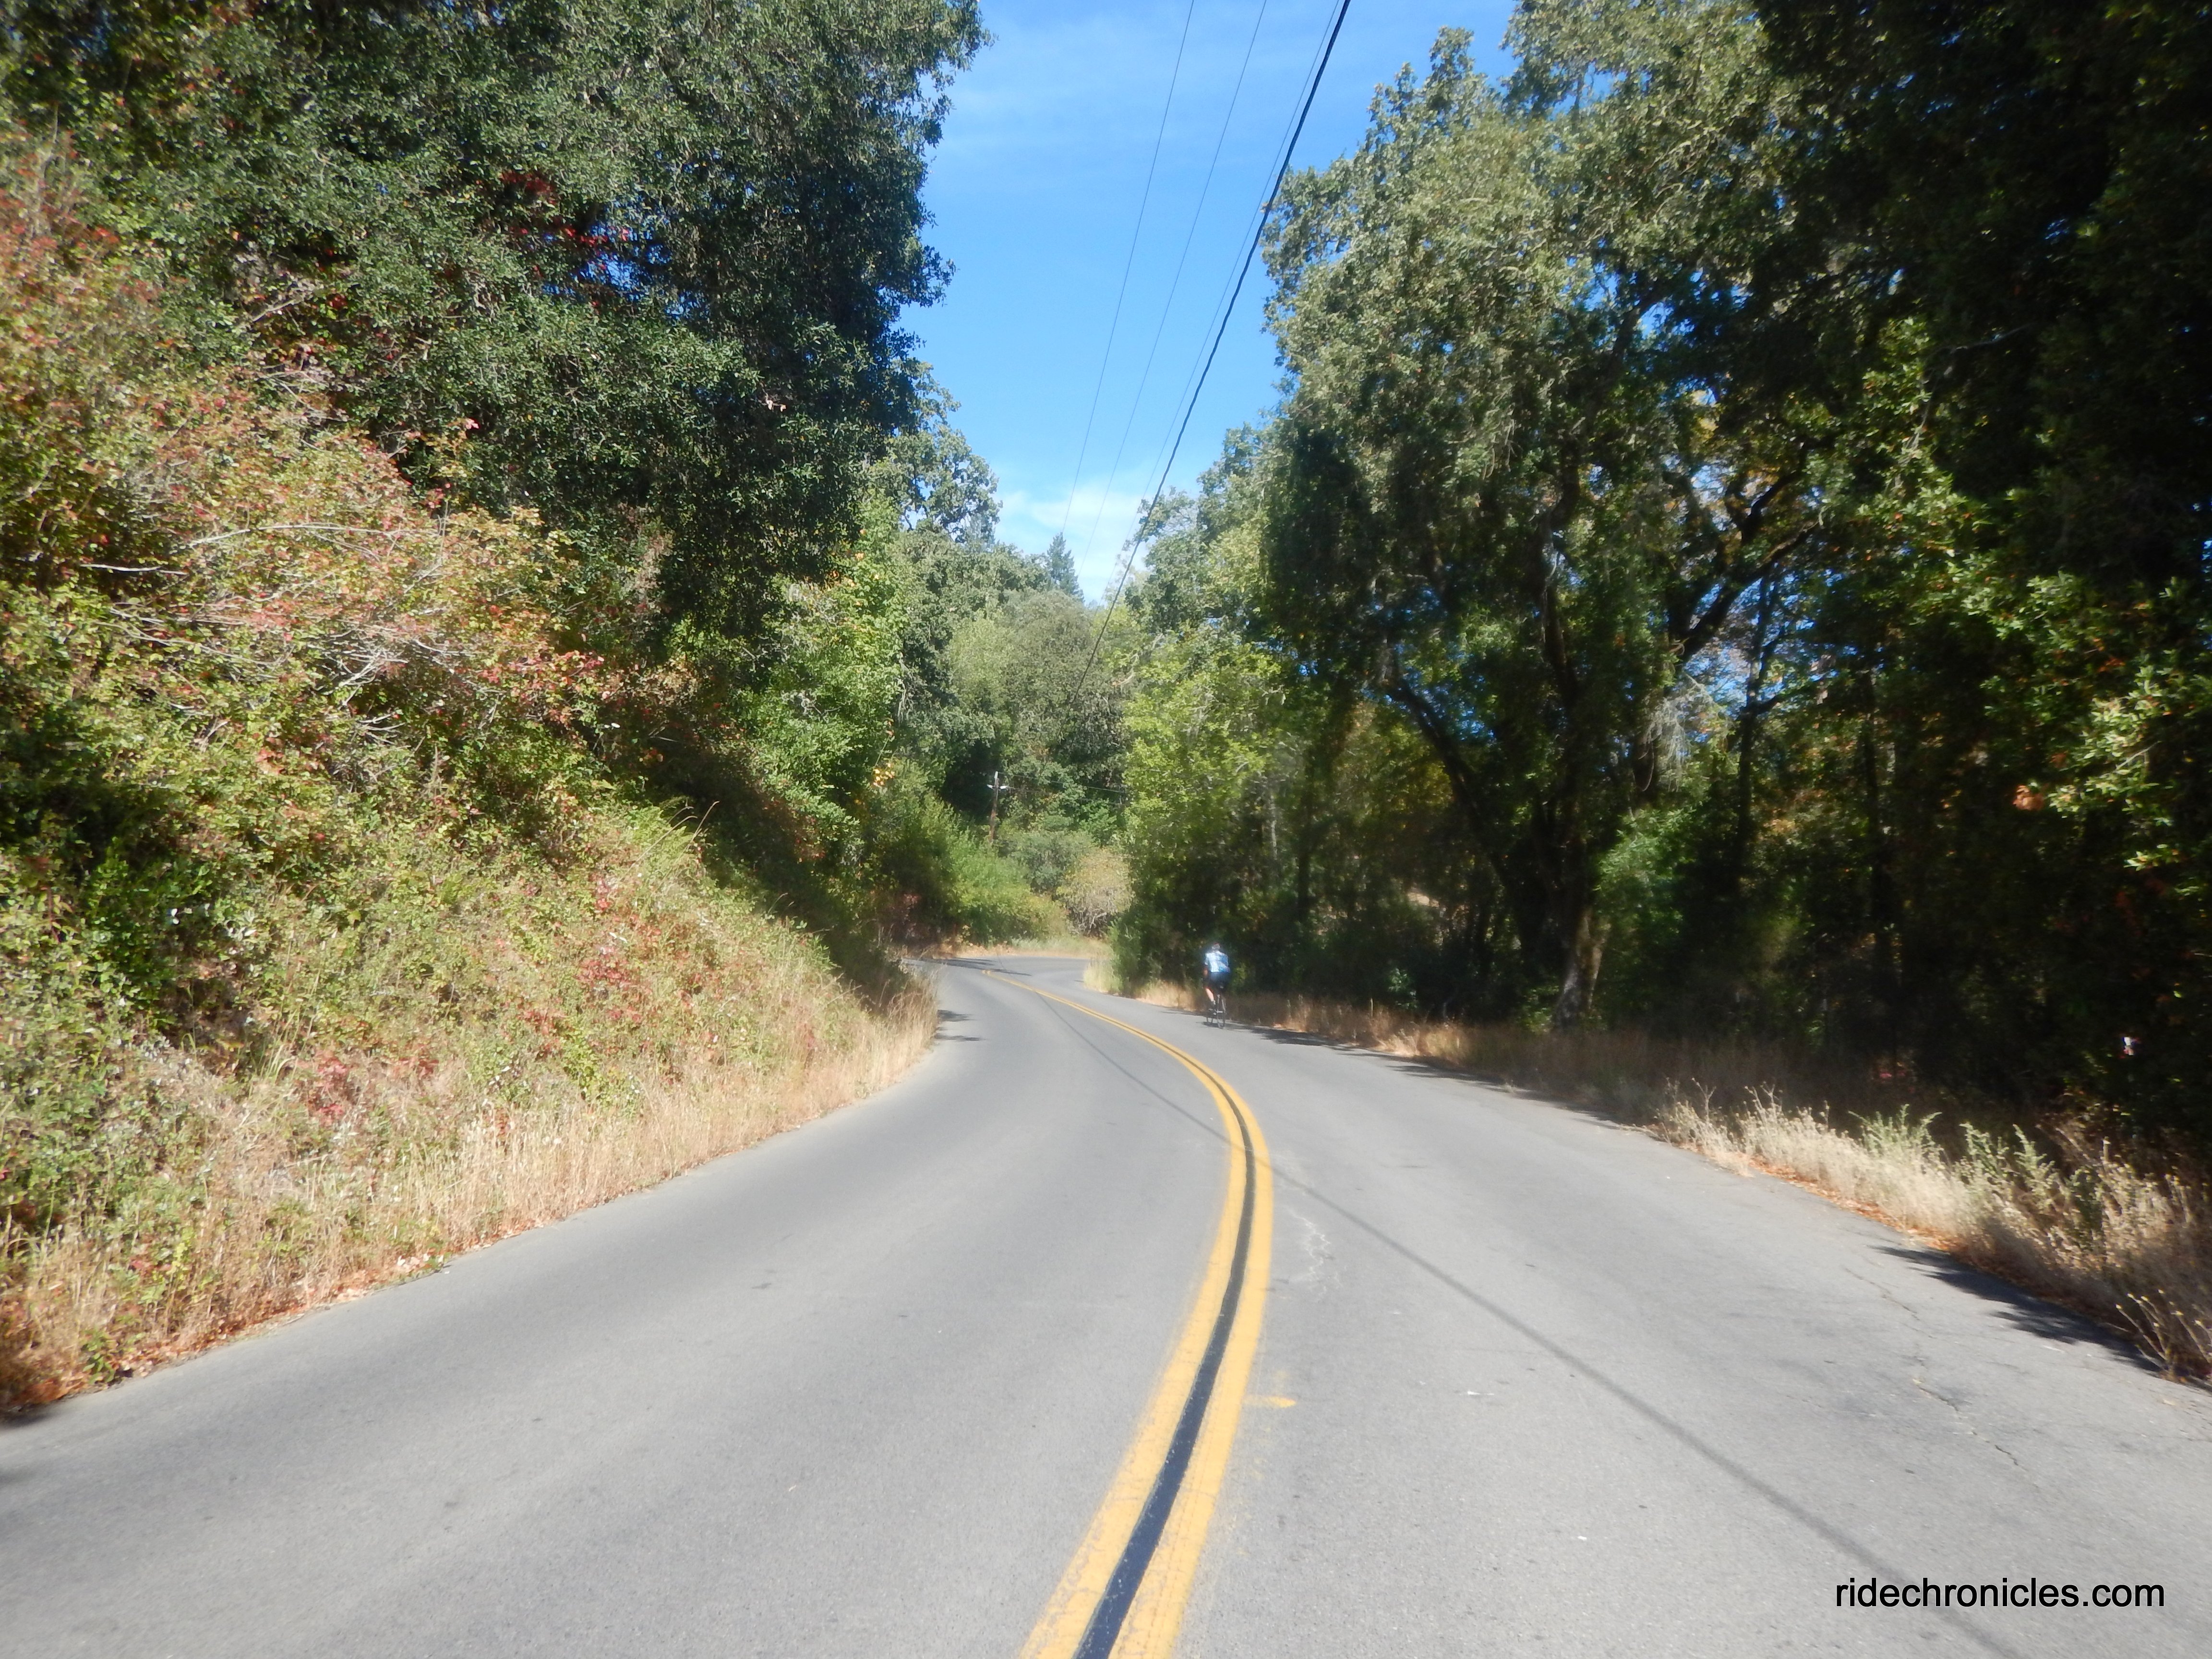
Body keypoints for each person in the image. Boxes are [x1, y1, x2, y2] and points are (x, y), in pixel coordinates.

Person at [1200, 941, 1231, 1023]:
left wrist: (1205, 978)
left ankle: (1213, 1002)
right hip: (1226, 975)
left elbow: (1206, 969)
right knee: (1222, 990)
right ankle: (1224, 1006)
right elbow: (1226, 966)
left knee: (1207, 987)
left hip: (1215, 974)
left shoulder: (1209, 955)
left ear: (1212, 949)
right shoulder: (1225, 956)